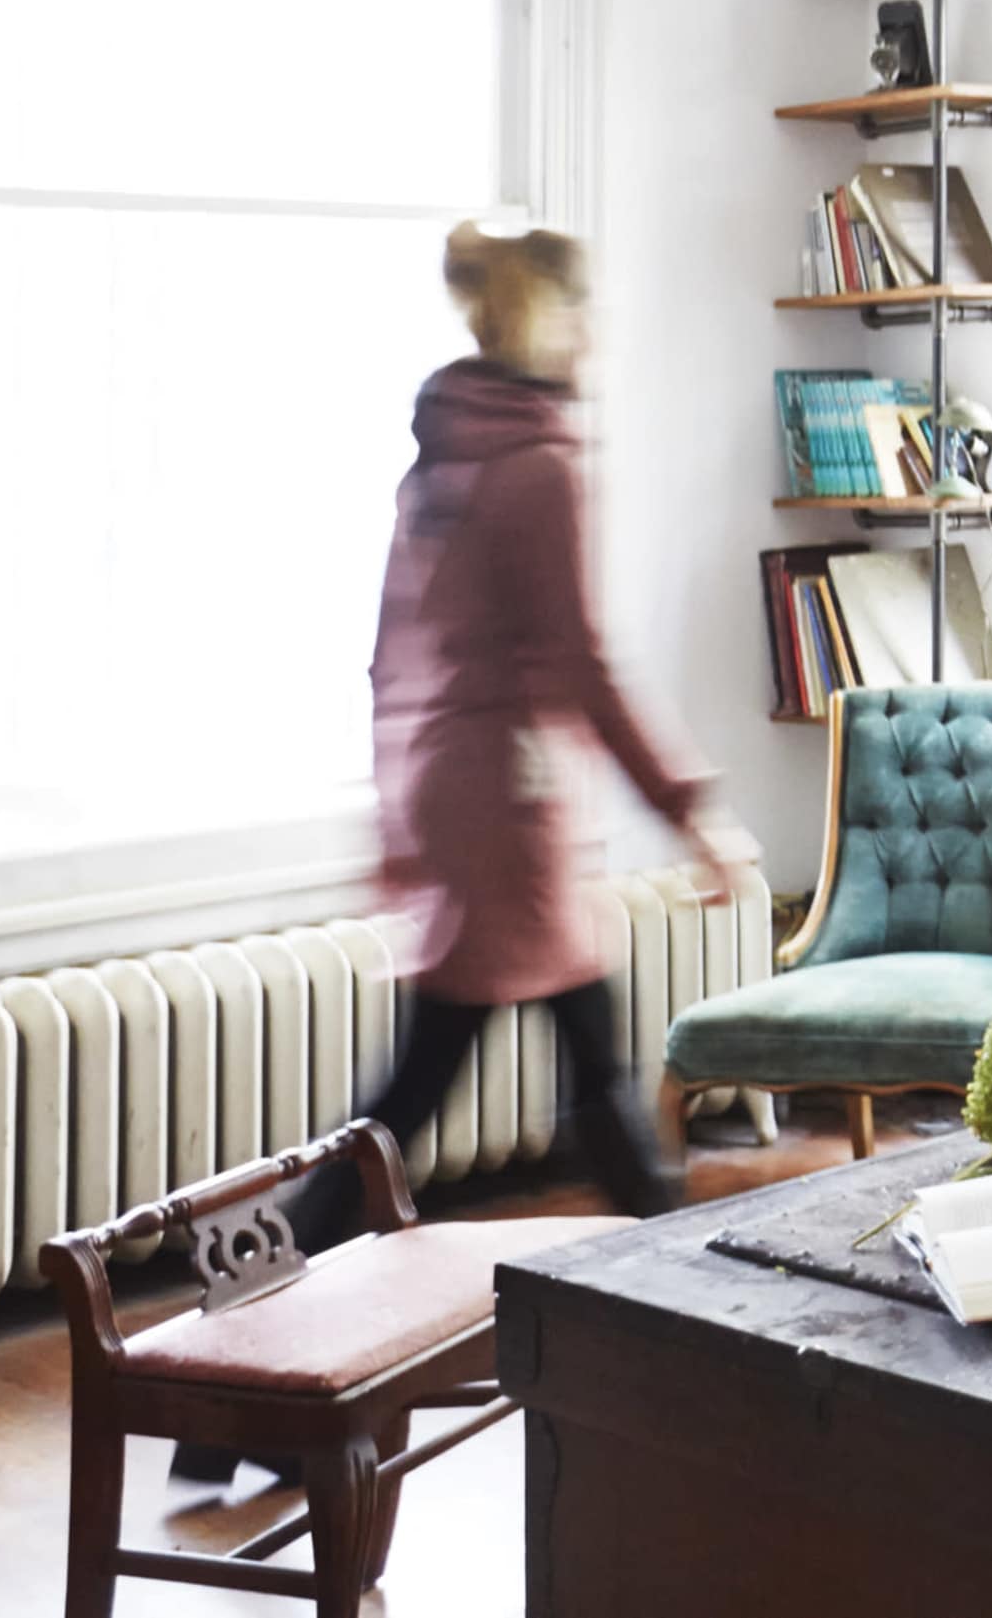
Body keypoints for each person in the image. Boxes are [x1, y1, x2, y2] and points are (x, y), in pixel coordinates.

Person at [179, 223, 748, 1485]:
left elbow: (394, 654)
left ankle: (221, 1385)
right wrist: (693, 808)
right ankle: (225, 1383)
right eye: (587, 313)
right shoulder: (541, 464)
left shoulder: (446, 450)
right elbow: (582, 662)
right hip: (512, 817)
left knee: (493, 1089)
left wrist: (402, 825)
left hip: (456, 800)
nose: (598, 336)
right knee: (467, 1103)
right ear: (550, 317)